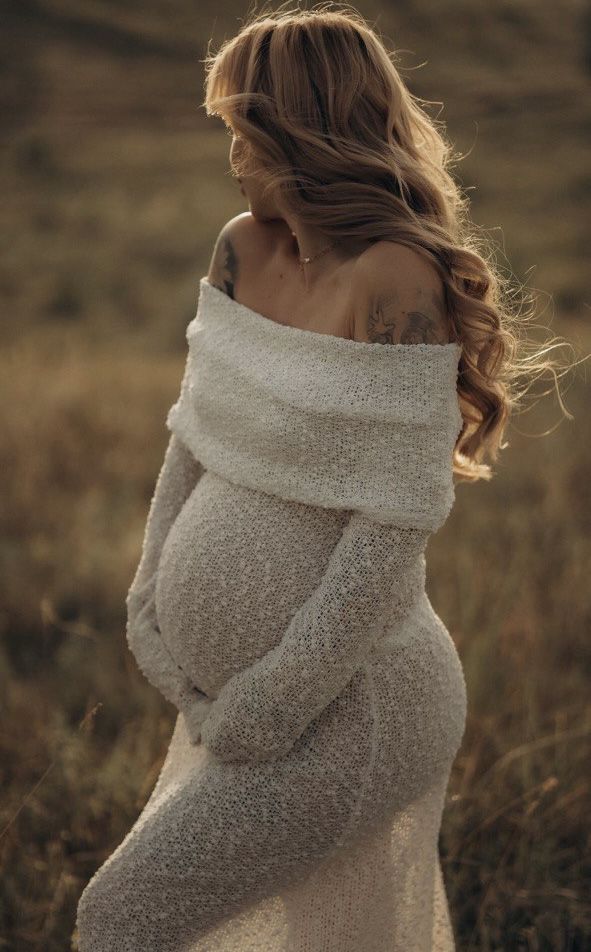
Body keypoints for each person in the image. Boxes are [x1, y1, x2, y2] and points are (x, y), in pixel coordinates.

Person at [75, 5, 571, 950]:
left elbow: (394, 521)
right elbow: (192, 437)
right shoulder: (241, 247)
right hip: (240, 701)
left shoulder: (396, 280)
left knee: (124, 914)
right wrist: (149, 603)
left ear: (298, 131)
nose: (232, 159)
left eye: (242, 133)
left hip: (354, 703)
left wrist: (277, 697)